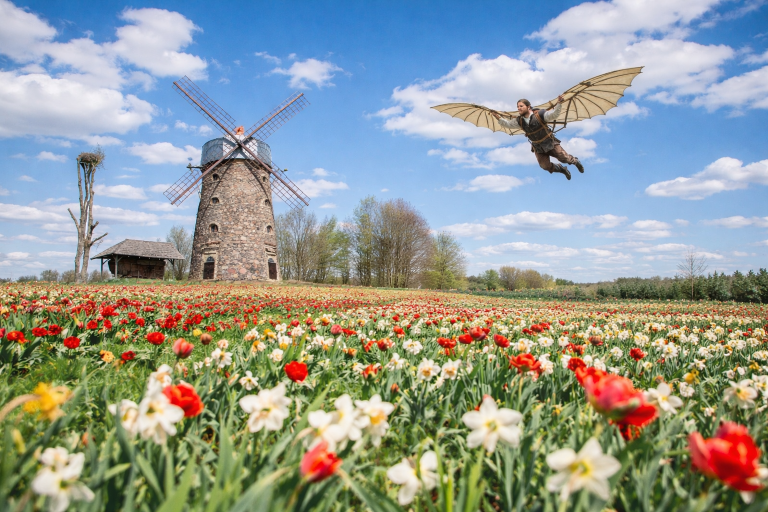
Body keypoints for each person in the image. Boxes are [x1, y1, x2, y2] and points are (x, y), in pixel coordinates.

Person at [492, 96, 584, 180]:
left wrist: (559, 104)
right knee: (544, 166)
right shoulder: (519, 121)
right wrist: (498, 117)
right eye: (518, 107)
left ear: (528, 106)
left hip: (550, 143)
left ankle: (575, 161)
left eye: (521, 106)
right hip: (538, 147)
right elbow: (508, 124)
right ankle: (562, 169)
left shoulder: (540, 114)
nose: (518, 108)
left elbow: (553, 115)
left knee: (564, 158)